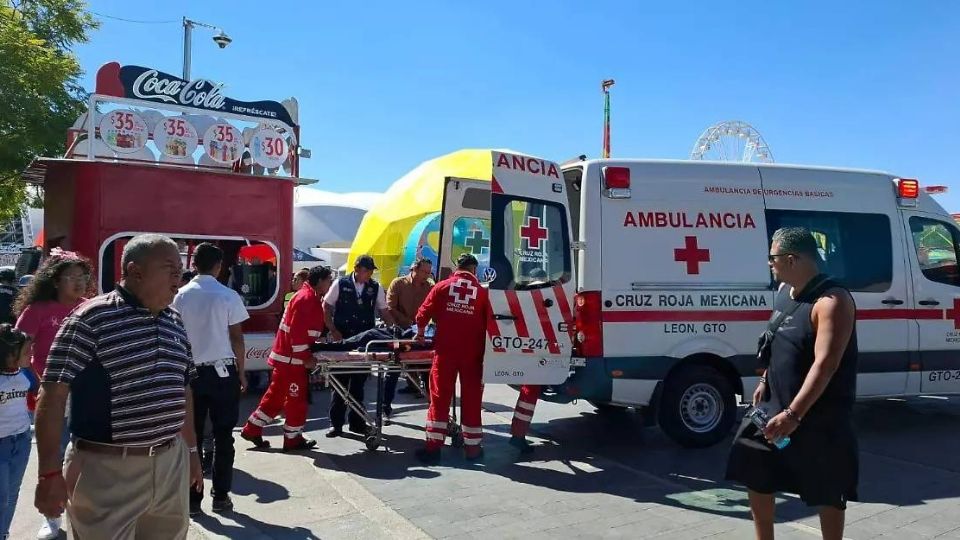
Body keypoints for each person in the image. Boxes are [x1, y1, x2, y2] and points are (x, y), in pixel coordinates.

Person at [33, 234, 202, 540]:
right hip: (107, 470)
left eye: (181, 270)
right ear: (135, 271)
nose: (179, 278)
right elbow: (52, 395)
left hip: (169, 464)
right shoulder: (90, 319)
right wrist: (49, 473)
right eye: (170, 270)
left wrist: (190, 452)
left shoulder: (174, 320)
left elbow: (183, 390)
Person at [726, 227, 858, 540]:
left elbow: (825, 365)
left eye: (772, 258)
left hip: (818, 415)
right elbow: (779, 340)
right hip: (773, 403)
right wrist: (764, 379)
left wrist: (794, 414)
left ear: (790, 258)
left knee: (826, 488)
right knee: (755, 468)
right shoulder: (786, 290)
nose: (769, 264)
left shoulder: (832, 301)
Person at [13, 248, 93, 539]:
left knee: (86, 456)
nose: (79, 282)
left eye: (83, 277)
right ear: (55, 280)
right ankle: (53, 519)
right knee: (53, 457)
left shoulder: (90, 308)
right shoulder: (37, 311)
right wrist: (34, 382)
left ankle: (81, 513)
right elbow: (19, 352)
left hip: (86, 396)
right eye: (72, 277)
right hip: (52, 396)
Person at [172, 243, 249, 516]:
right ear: (218, 266)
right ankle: (221, 496)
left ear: (194, 265)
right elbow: (237, 338)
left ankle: (193, 500)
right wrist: (241, 372)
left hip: (188, 372)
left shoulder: (179, 296)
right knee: (223, 436)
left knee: (190, 437)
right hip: (222, 371)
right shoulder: (228, 296)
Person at [241, 265, 334, 451]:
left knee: (275, 398)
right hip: (293, 361)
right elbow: (298, 335)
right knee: (296, 400)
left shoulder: (306, 297)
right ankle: (292, 439)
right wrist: (306, 358)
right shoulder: (307, 300)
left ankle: (252, 428)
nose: (330, 284)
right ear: (321, 281)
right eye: (329, 280)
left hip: (286, 359)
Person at [414, 253, 490, 463]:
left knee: (440, 397)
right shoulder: (483, 293)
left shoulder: (441, 287)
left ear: (457, 266)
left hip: (446, 351)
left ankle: (433, 448)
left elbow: (423, 314)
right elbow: (491, 322)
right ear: (474, 270)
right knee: (472, 398)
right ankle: (473, 449)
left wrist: (420, 332)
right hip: (474, 354)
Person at [323, 255, 396, 437]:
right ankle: (336, 424)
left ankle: (357, 423)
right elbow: (326, 306)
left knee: (358, 384)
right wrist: (332, 329)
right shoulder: (340, 284)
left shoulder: (375, 287)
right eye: (368, 271)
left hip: (364, 342)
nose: (370, 274)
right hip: (343, 339)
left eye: (372, 271)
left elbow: (383, 310)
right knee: (339, 384)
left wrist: (393, 331)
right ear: (358, 269)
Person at [0, 324, 38, 540]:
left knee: (12, 493)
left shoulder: (25, 373)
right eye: (26, 351)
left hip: (21, 441)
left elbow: (38, 391)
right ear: (8, 355)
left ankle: (4, 533)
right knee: (1, 497)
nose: (30, 354)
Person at [383, 258, 434, 415]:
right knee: (393, 370)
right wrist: (409, 323)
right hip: (400, 332)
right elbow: (390, 308)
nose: (427, 275)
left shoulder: (430, 287)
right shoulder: (398, 284)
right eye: (424, 272)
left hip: (420, 333)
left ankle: (433, 406)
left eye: (428, 272)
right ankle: (385, 407)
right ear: (414, 269)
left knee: (427, 370)